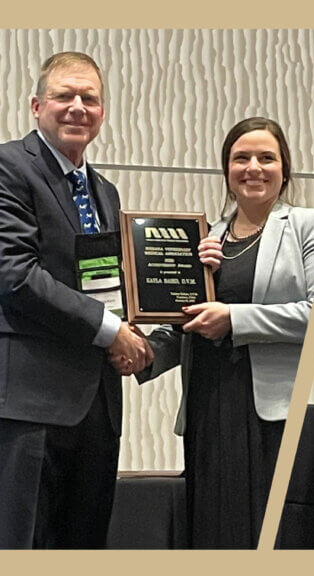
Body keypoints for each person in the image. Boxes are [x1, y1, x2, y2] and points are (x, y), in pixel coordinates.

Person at [128, 117, 314, 548]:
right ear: (227, 171)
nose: (253, 167)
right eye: (241, 158)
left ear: (285, 168)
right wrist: (142, 350)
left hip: (269, 412)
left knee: (267, 534)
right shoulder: (205, 239)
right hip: (208, 403)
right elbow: (184, 318)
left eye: (266, 158)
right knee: (211, 530)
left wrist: (234, 318)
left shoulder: (311, 226)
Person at [0, 52, 152, 548]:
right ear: (36, 105)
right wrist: (112, 331)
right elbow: (16, 275)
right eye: (65, 95)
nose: (77, 107)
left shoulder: (104, 191)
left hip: (98, 402)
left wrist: (188, 277)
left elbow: (105, 280)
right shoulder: (9, 167)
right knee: (20, 543)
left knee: (81, 546)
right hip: (31, 402)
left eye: (90, 98)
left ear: (103, 112)